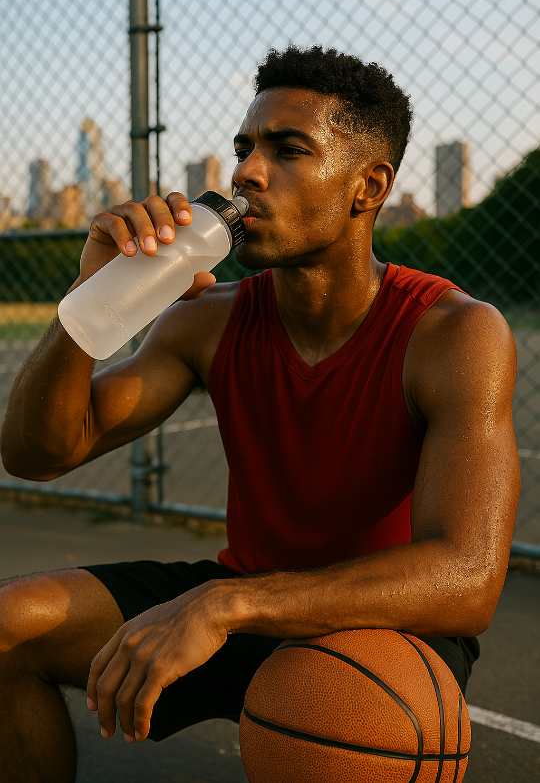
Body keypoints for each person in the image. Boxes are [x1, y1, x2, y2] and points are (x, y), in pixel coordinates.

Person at [0, 45, 520, 783]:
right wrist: (85, 308)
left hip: (375, 616)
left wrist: (228, 604)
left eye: (288, 150)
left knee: (327, 719)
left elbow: (465, 580)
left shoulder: (453, 333)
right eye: (244, 148)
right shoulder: (205, 320)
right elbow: (36, 454)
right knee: (5, 629)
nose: (244, 172)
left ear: (368, 186)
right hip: (239, 595)